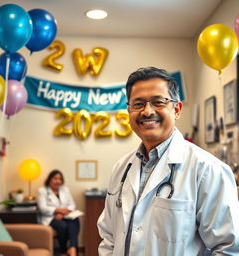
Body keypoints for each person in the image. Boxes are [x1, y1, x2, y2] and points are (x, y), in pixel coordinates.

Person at [97, 67, 239, 255]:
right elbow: (109, 237)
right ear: (129, 111)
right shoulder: (121, 168)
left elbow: (229, 248)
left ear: (177, 109)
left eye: (158, 102)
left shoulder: (208, 170)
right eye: (138, 104)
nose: (147, 111)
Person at [38, 170, 80, 256]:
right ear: (49, 179)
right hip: (50, 218)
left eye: (60, 179)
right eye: (55, 178)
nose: (58, 181)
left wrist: (62, 213)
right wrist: (58, 210)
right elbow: (42, 208)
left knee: (75, 220)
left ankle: (72, 248)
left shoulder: (65, 189)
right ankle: (63, 251)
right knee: (62, 226)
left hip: (65, 216)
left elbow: (72, 204)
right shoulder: (42, 191)